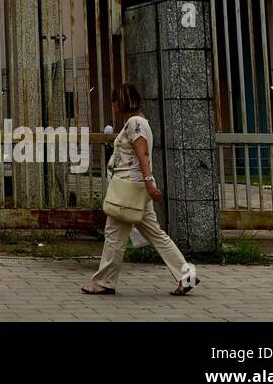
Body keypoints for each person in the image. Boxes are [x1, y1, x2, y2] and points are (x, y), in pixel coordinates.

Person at [81, 82, 198, 296]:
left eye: (114, 101)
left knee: (114, 234)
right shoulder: (137, 122)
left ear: (122, 102)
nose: (113, 106)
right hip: (135, 188)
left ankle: (104, 281)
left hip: (129, 187)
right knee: (156, 234)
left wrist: (149, 181)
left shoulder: (135, 123)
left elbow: (142, 154)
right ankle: (186, 276)